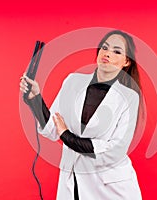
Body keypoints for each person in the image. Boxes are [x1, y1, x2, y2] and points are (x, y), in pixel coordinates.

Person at [20, 30, 143, 200]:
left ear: (126, 61)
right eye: (104, 48)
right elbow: (52, 128)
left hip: (111, 188)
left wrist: (67, 135)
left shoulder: (129, 97)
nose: (107, 53)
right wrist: (35, 99)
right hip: (73, 179)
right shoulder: (73, 81)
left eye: (116, 51)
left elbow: (116, 150)